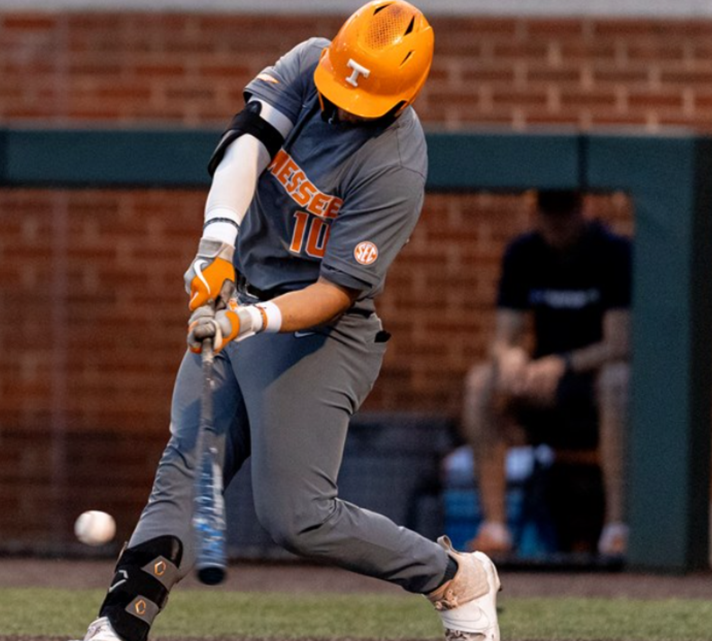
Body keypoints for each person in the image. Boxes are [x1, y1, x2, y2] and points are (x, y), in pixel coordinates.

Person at [73, 3, 501, 641]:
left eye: (361, 99)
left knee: (297, 517)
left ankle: (454, 575)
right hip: (242, 290)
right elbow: (246, 145)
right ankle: (118, 625)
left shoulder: (396, 166)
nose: (342, 106)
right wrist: (214, 248)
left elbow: (333, 292)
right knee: (188, 463)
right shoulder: (309, 63)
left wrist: (246, 321)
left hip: (315, 335)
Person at [462, 189, 631, 557]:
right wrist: (510, 358)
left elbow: (619, 343)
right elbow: (504, 337)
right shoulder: (524, 251)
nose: (556, 221)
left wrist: (562, 363)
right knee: (480, 382)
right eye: (547, 210)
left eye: (565, 210)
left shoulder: (613, 251)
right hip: (542, 384)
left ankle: (617, 529)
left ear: (584, 208)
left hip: (591, 381)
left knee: (619, 380)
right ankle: (495, 528)